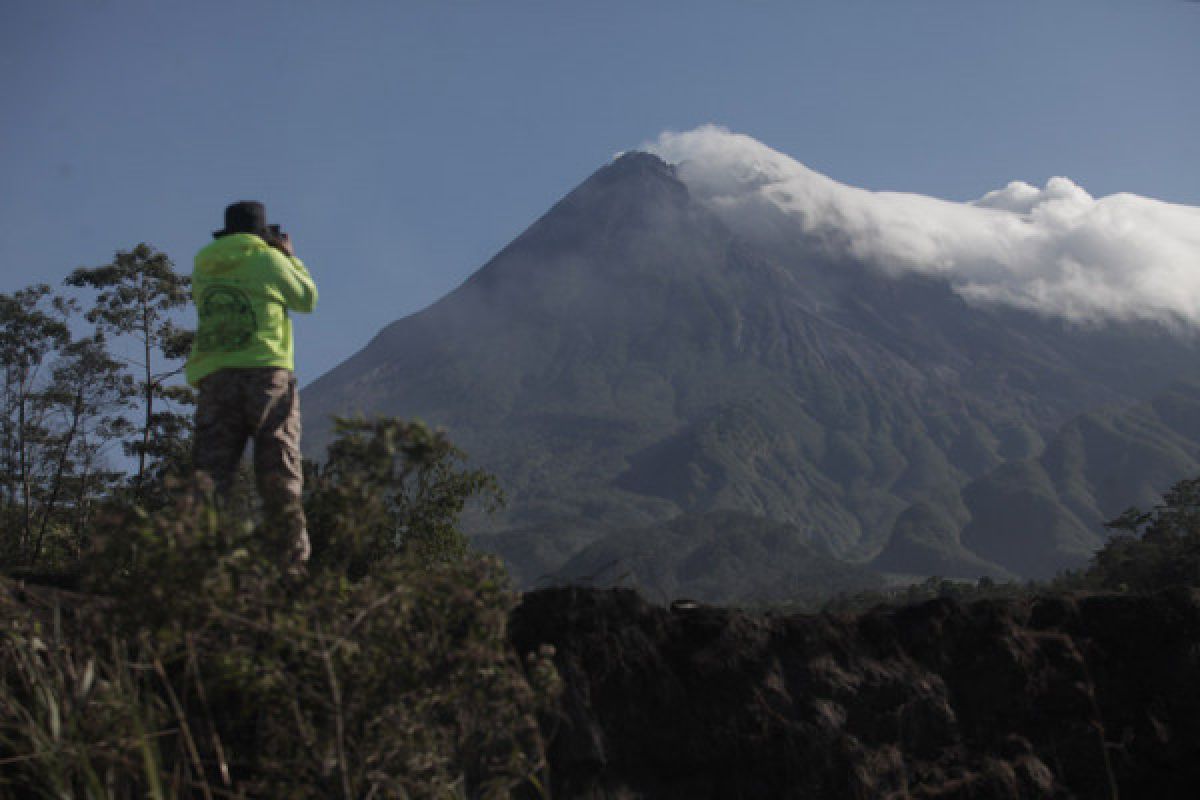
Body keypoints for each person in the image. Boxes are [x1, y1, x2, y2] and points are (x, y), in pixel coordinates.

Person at [185, 201, 318, 570]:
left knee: (210, 476)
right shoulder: (269, 261)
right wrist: (290, 258)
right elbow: (306, 299)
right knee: (279, 470)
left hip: (215, 377)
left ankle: (196, 565)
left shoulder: (204, 264)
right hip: (265, 375)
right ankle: (290, 566)